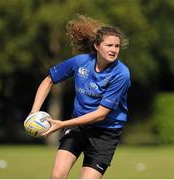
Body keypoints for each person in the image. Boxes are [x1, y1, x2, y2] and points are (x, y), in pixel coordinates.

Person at [30, 15, 131, 179]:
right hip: (78, 126)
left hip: (105, 133)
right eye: (109, 45)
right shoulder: (80, 62)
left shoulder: (121, 74)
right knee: (57, 176)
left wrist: (62, 124)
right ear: (97, 46)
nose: (114, 49)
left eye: (117, 46)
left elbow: (100, 114)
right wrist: (34, 112)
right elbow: (48, 80)